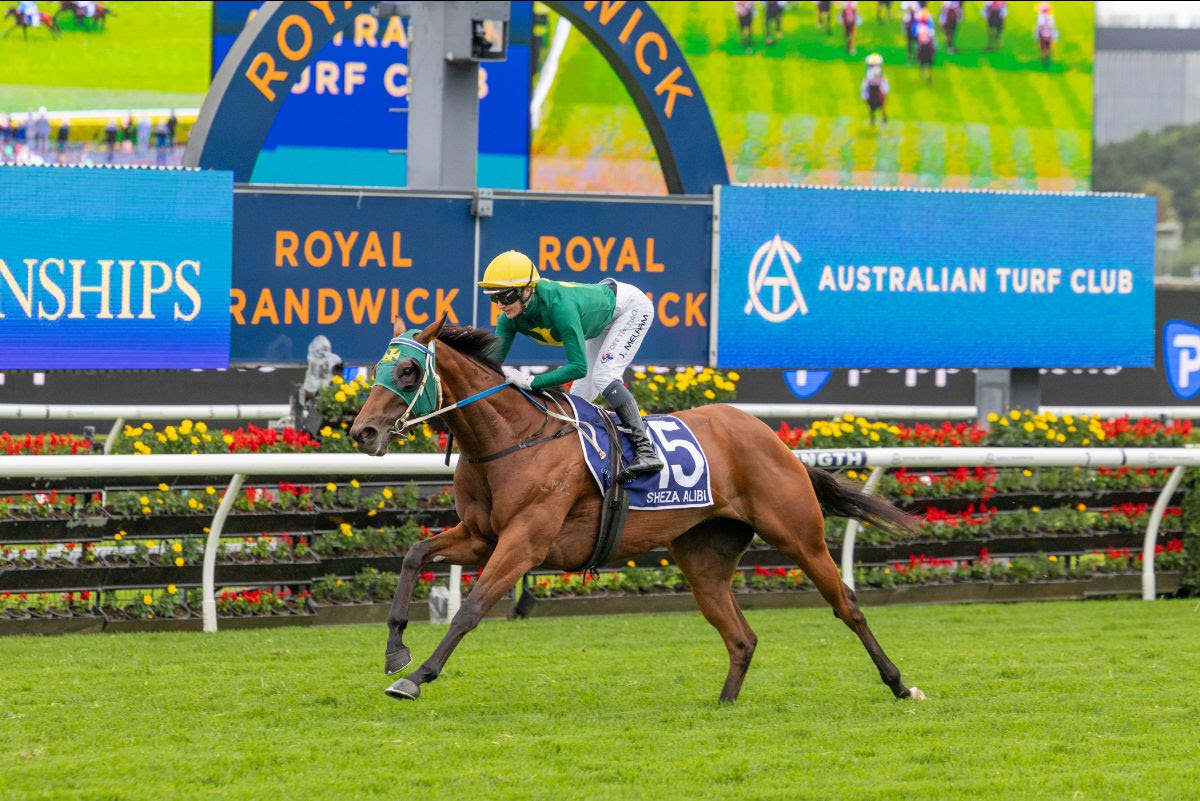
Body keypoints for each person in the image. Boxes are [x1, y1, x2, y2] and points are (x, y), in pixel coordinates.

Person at [478, 250, 665, 481]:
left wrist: (531, 382)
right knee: (579, 398)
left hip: (629, 308)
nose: (500, 305)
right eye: (494, 298)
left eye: (505, 297)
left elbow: (578, 367)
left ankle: (645, 450)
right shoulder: (509, 319)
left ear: (527, 290)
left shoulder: (560, 307)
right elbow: (489, 365)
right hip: (599, 320)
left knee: (604, 376)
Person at [860, 53, 889, 127]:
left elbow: (880, 77)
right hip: (871, 85)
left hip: (877, 85)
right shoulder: (869, 70)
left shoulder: (878, 69)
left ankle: (884, 117)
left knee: (883, 98)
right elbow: (868, 79)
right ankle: (872, 118)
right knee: (864, 88)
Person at [914, 7, 936, 82]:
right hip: (922, 42)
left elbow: (932, 34)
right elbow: (916, 33)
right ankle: (918, 57)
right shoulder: (918, 25)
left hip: (928, 41)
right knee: (918, 47)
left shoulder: (929, 23)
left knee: (934, 45)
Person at [1035, 2, 1058, 68]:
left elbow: (1039, 27)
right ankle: (1048, 59)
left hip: (1043, 35)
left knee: (1043, 49)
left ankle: (1044, 60)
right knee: (1049, 49)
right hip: (1049, 35)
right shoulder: (1051, 17)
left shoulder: (1041, 17)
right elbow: (1053, 27)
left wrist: (1037, 35)